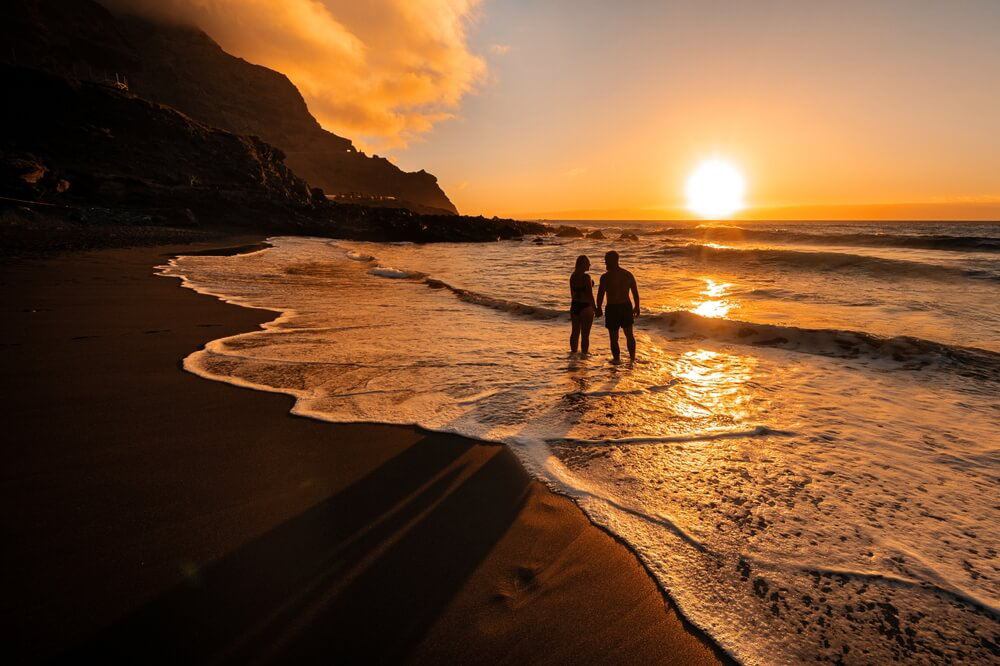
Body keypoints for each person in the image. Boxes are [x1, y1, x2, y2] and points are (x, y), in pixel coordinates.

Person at [595, 250, 640, 362]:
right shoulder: (628, 274)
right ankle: (632, 359)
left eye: (606, 261)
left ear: (613, 261)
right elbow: (635, 293)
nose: (605, 263)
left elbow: (601, 293)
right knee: (629, 334)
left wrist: (598, 307)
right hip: (625, 306)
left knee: (614, 338)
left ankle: (617, 360)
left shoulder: (605, 277)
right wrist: (637, 306)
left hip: (613, 308)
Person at [569, 255, 598, 354]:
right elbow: (590, 295)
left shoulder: (573, 276)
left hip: (575, 306)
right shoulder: (587, 277)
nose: (589, 265)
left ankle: (573, 354)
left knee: (575, 332)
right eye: (588, 263)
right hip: (585, 306)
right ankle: (584, 356)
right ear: (582, 265)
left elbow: (573, 294)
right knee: (585, 335)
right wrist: (595, 309)